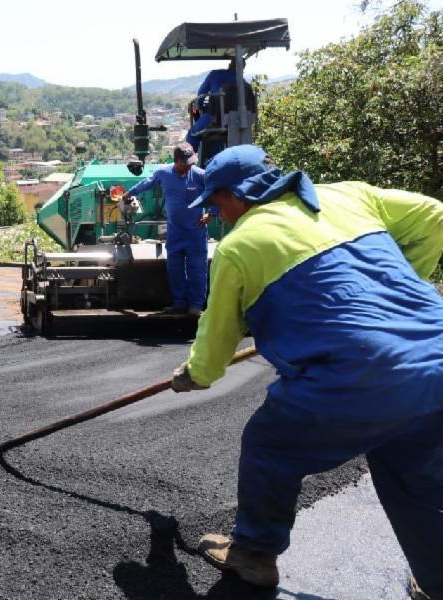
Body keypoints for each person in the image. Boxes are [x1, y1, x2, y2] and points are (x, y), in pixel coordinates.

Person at [170, 144, 443, 597]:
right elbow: (435, 215)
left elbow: (215, 341)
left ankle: (254, 553)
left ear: (240, 194)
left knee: (269, 444)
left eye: (218, 204)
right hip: (434, 357)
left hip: (360, 374)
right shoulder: (348, 196)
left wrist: (194, 375)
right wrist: (390, 304)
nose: (219, 217)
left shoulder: (240, 247)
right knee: (412, 473)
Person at [123, 142, 211, 316]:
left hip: (196, 233)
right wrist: (129, 193)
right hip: (175, 232)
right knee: (175, 269)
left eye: (191, 162)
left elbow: (217, 191)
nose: (189, 166)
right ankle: (179, 303)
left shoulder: (201, 175)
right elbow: (147, 183)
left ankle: (196, 305)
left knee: (197, 270)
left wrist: (212, 214)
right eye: (185, 163)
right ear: (176, 161)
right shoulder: (164, 173)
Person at [186, 57, 243, 151]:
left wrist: (200, 107)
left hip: (215, 117)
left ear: (230, 65)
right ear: (242, 68)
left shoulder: (215, 74)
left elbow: (201, 94)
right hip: (237, 121)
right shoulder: (243, 82)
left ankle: (187, 160)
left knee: (192, 134)